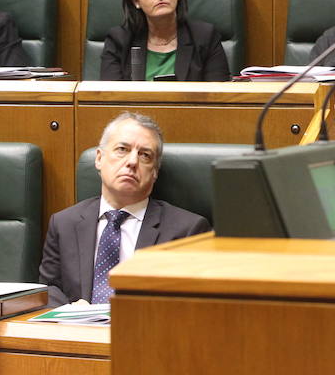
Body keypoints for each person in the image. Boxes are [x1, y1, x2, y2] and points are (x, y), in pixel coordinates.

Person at [39, 112, 210, 306]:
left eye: (145, 155)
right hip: (77, 332)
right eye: (122, 149)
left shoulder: (188, 231)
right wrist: (69, 314)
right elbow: (49, 290)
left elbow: (189, 305)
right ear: (99, 158)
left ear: (154, 172)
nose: (132, 162)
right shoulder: (64, 223)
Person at [100, 0, 230, 81]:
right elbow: (110, 98)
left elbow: (218, 98)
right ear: (136, 1)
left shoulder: (205, 37)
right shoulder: (118, 41)